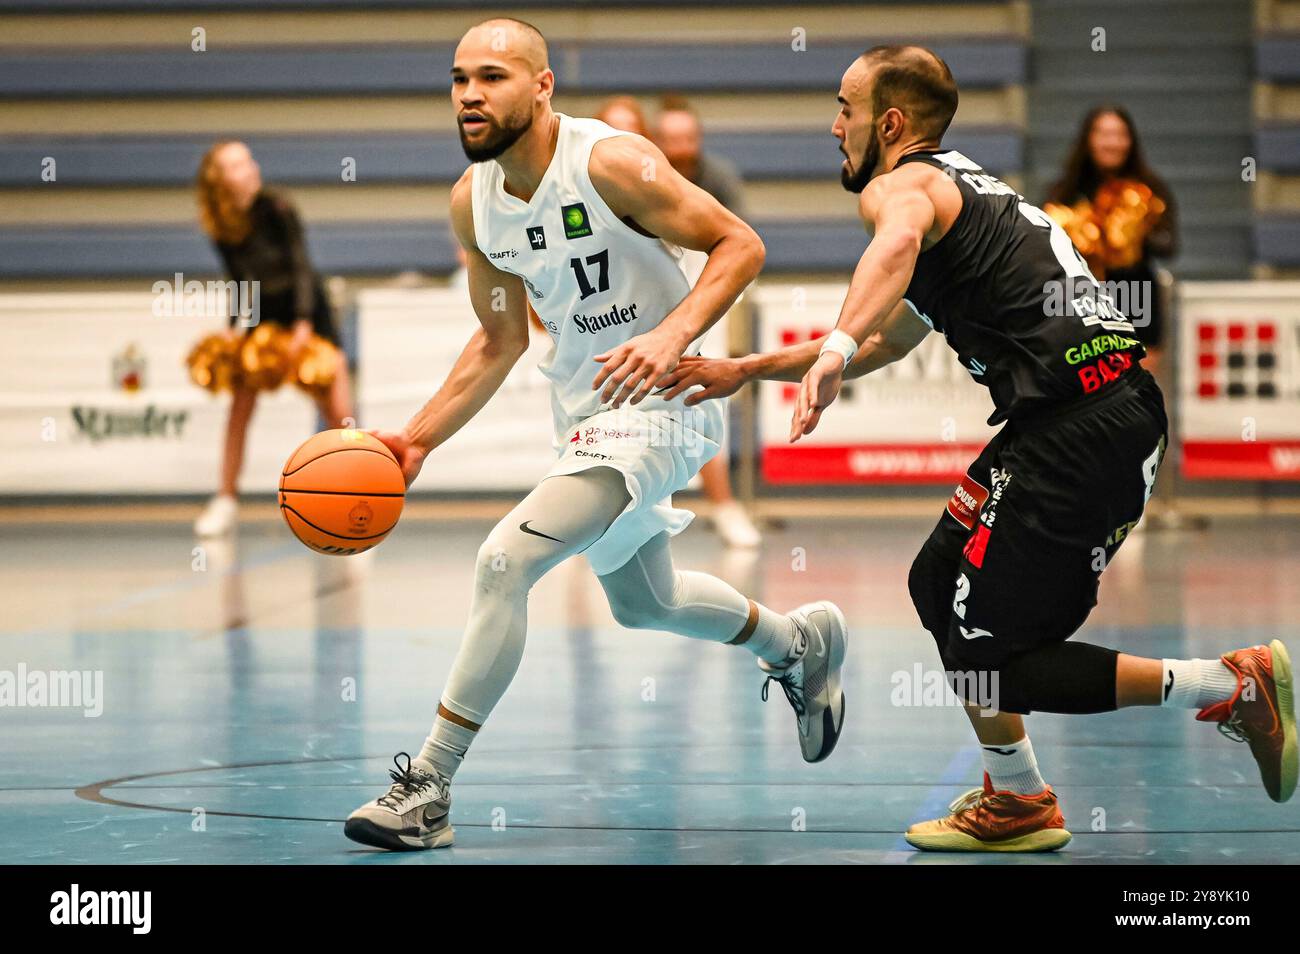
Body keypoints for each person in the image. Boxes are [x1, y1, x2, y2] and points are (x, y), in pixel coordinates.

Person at [660, 45, 1295, 851]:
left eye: (845, 109)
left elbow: (889, 254)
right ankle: (1019, 798)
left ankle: (1228, 684)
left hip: (1083, 425)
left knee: (1001, 658)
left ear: (889, 124)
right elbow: (895, 335)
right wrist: (749, 368)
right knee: (937, 583)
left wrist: (835, 346)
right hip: (1075, 418)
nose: (834, 126)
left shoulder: (902, 188)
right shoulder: (963, 186)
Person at [343, 19, 847, 852]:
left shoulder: (609, 161)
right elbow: (499, 338)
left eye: (494, 76)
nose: (471, 93)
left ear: (542, 87)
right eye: (461, 78)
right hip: (586, 415)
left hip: (661, 406)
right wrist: (417, 440)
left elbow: (739, 244)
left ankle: (427, 787)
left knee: (506, 559)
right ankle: (798, 642)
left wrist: (670, 335)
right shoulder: (473, 202)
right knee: (646, 603)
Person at [592, 96, 763, 549]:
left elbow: (736, 244)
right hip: (606, 315)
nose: (620, 140)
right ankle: (589, 518)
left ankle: (722, 506)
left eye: (630, 130)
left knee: (691, 398)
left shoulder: (659, 183)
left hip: (683, 307)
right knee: (602, 410)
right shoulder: (581, 186)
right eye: (609, 130)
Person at [193, 141, 355, 536]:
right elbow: (240, 282)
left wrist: (303, 323)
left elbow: (301, 264)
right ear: (219, 181)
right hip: (264, 320)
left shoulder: (277, 207)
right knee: (240, 408)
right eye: (236, 165)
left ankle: (355, 496)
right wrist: (232, 328)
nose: (249, 169)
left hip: (307, 312)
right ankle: (226, 498)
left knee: (338, 412)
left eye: (249, 161)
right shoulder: (223, 226)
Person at [1045, 106, 1178, 370]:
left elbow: (1170, 245)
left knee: (1138, 395)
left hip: (1136, 298)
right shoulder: (1064, 192)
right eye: (1104, 134)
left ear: (1130, 141)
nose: (1112, 142)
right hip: (1079, 304)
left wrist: (1136, 233)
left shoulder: (1148, 189)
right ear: (1088, 139)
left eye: (1119, 134)